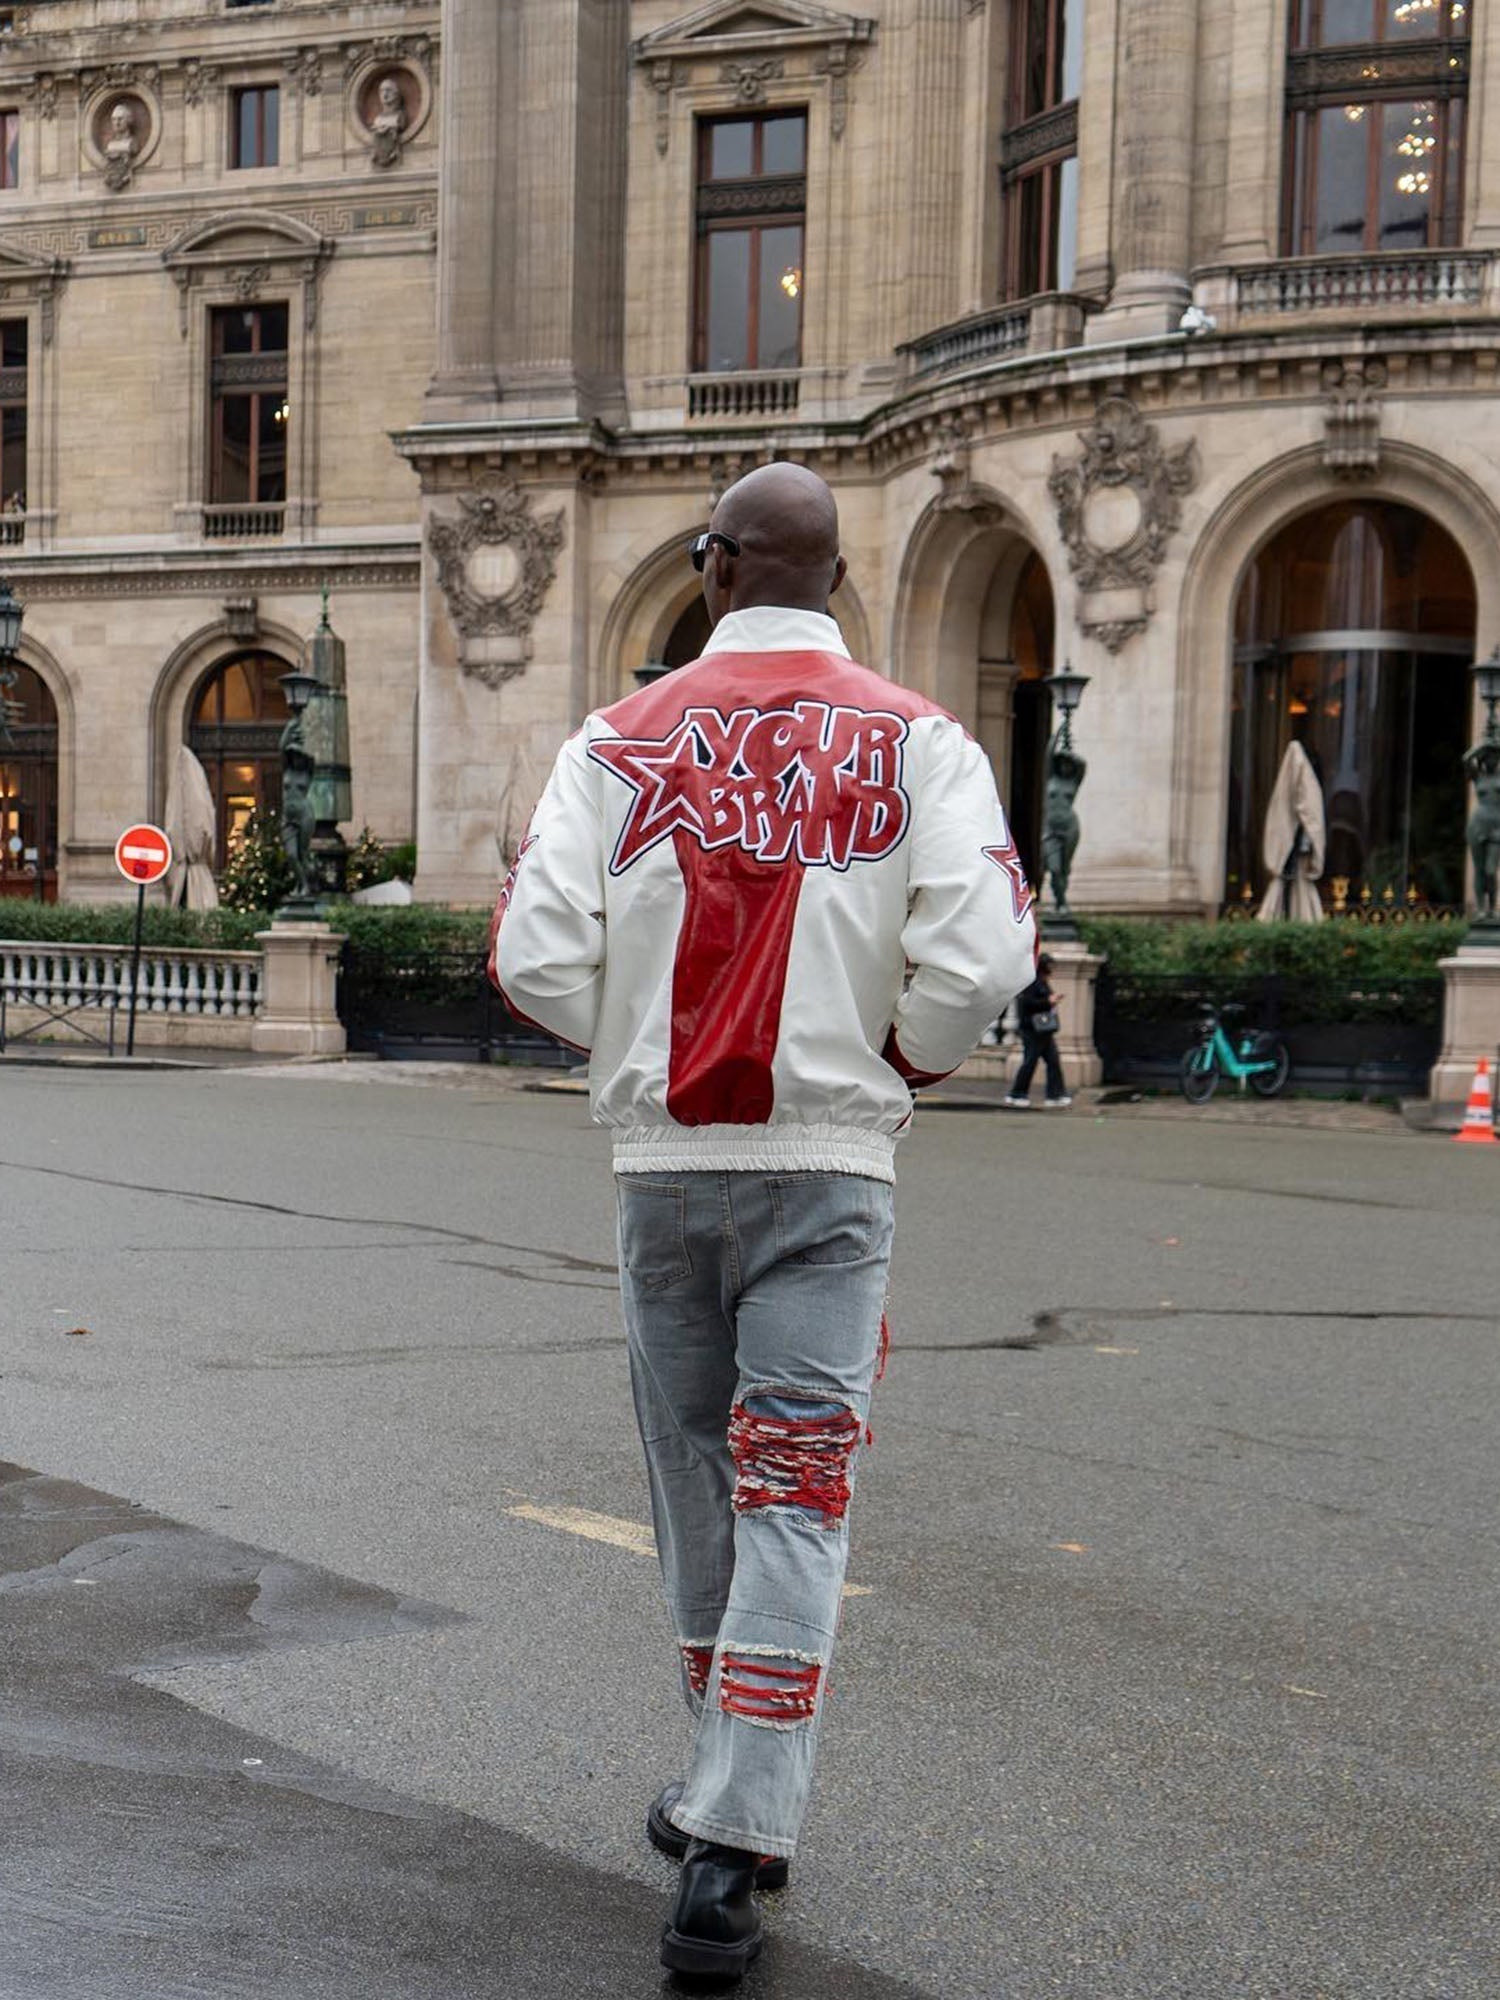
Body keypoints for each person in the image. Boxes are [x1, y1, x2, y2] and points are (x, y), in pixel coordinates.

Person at [490, 462, 1035, 1981]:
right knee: (799, 1492)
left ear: (715, 567)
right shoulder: (925, 742)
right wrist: (891, 1066)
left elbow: (537, 954)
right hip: (832, 1177)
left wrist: (636, 1060)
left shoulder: (617, 739)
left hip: (668, 1176)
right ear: (841, 584)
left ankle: (726, 1794)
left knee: (695, 1484)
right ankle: (734, 1837)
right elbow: (984, 958)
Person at [1003, 952, 1071, 1108]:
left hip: (1043, 1030)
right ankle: (1017, 1094)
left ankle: (1055, 1094)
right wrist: (1048, 1001)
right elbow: (1028, 1003)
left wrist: (1050, 1000)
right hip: (1032, 1029)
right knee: (1030, 1062)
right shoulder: (1032, 981)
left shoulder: (1042, 981)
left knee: (1052, 1061)